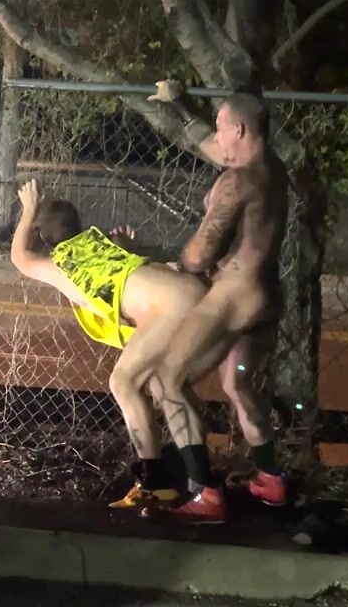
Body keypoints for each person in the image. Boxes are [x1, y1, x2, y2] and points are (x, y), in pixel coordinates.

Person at [10, 179, 217, 517]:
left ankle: (157, 484)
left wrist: (28, 209)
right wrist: (130, 247)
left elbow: (20, 257)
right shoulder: (101, 245)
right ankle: (199, 487)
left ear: (44, 238)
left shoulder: (63, 263)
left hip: (172, 306)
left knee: (123, 382)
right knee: (164, 385)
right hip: (194, 293)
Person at [137, 80, 292, 521]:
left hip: (233, 296)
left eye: (222, 128)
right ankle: (271, 479)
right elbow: (211, 146)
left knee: (166, 379)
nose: (217, 138)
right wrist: (181, 105)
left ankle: (205, 491)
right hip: (266, 295)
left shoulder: (235, 182)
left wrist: (171, 264)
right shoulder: (272, 168)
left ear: (239, 130)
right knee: (237, 385)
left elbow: (200, 254)